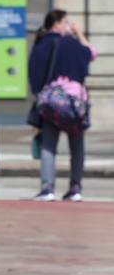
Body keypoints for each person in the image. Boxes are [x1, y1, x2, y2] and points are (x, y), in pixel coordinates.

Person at [28, 10, 95, 201]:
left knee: (49, 145)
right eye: (66, 22)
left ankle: (47, 188)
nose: (68, 25)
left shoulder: (41, 44)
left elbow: (34, 74)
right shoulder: (71, 43)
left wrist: (38, 95)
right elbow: (91, 53)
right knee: (77, 145)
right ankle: (75, 188)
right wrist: (78, 33)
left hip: (52, 102)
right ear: (57, 24)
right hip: (75, 103)